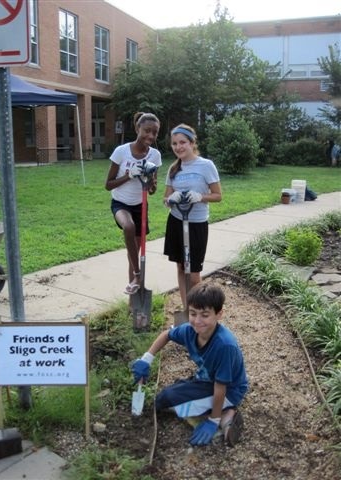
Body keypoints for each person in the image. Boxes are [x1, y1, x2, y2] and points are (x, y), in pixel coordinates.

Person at [131, 281, 248, 447]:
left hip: (229, 390)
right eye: (193, 314)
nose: (197, 321)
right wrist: (146, 359)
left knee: (168, 402)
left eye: (205, 315)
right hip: (206, 380)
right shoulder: (190, 330)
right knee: (164, 398)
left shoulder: (224, 346)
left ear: (219, 314)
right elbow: (167, 335)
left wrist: (212, 421)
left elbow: (220, 387)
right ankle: (211, 409)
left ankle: (225, 415)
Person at [163, 124, 221, 309]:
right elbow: (166, 199)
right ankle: (186, 309)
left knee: (194, 274)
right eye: (174, 144)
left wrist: (200, 197)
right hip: (176, 222)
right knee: (181, 267)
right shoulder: (173, 168)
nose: (178, 147)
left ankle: (199, 310)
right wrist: (171, 199)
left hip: (196, 224)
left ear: (192, 143)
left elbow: (218, 195)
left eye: (182, 142)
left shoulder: (206, 165)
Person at [105, 112, 162, 295]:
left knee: (134, 253)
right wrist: (129, 175)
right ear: (138, 129)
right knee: (128, 227)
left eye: (154, 133)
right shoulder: (121, 151)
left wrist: (150, 182)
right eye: (147, 131)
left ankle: (134, 300)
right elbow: (108, 185)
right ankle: (138, 274)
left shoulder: (155, 156)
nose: (151, 136)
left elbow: (152, 190)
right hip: (120, 203)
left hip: (140, 206)